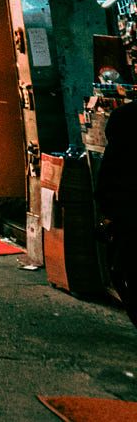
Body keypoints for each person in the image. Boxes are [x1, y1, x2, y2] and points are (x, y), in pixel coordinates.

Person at [98, 99, 137, 329]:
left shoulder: (124, 117)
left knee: (125, 271)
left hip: (129, 214)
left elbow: (110, 170)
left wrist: (108, 208)